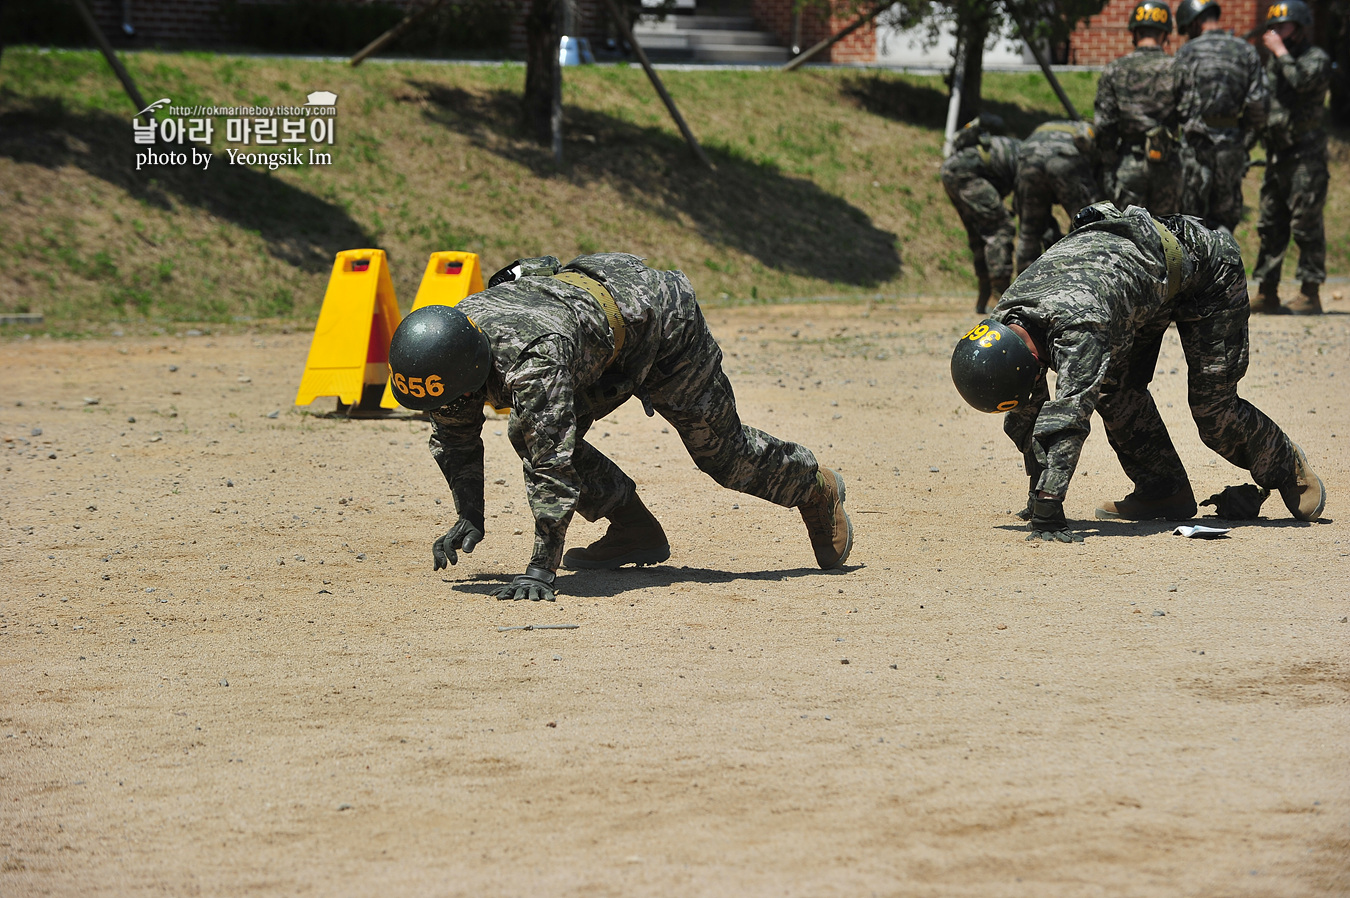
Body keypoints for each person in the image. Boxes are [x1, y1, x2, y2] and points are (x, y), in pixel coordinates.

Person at [386, 253, 854, 601]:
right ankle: (635, 531)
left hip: (661, 323)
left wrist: (540, 568)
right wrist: (470, 514)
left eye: (454, 400)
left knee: (723, 455)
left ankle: (814, 489)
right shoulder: (452, 350)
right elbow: (454, 437)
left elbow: (554, 462)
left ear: (473, 371)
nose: (450, 409)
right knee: (529, 431)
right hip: (599, 345)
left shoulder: (533, 363)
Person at [950, 202, 1326, 542]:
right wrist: (1036, 486)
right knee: (1117, 389)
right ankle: (1163, 489)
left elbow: (1069, 413)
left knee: (1214, 409)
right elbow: (1028, 412)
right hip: (1141, 285)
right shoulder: (1006, 323)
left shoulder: (1079, 324)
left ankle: (1287, 469)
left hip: (1207, 270)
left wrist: (1050, 501)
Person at [1251, 0, 1332, 315]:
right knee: (1270, 222)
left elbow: (1301, 82)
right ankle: (1266, 291)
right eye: (1273, 28)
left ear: (1298, 28)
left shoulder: (1316, 59)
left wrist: (1280, 53)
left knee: (1306, 224)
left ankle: (1310, 293)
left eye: (1282, 27)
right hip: (1277, 154)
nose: (1275, 34)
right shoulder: (1275, 62)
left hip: (1305, 156)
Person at [1174, 0, 1269, 233]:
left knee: (1191, 221)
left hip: (1195, 148)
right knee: (1224, 219)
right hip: (1231, 146)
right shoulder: (1245, 50)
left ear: (1195, 22)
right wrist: (1245, 141)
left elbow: (1174, 101)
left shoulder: (1186, 53)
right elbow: (1259, 104)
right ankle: (1225, 267)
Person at [1094, 0, 1184, 216]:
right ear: (1165, 34)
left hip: (1128, 165)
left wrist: (1107, 168)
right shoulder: (1178, 69)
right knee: (1167, 235)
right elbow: (1192, 121)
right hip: (1167, 165)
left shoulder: (1114, 70)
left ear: (1133, 32)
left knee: (1130, 237)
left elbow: (1105, 126)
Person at [940, 114, 1020, 314]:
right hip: (967, 173)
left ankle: (984, 293)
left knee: (978, 232)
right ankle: (999, 294)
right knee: (1001, 228)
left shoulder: (1016, 149)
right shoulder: (1030, 158)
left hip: (952, 169)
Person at [1014, 120, 1102, 273]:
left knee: (1029, 233)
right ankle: (1079, 278)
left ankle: (1022, 289)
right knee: (1090, 225)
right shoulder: (1092, 133)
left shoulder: (1051, 125)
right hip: (1064, 158)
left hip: (1028, 159)